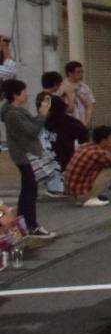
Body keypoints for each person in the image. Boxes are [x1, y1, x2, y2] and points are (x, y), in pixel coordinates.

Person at [1, 80, 55, 237]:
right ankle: (31, 225)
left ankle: (22, 224)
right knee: (30, 191)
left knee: (28, 189)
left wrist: (41, 114)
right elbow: (32, 130)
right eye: (24, 91)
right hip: (25, 155)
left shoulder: (15, 111)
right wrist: (42, 115)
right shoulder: (12, 114)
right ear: (16, 95)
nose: (27, 94)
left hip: (26, 154)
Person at [41, 71, 88, 180]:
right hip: (62, 134)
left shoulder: (40, 97)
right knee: (65, 157)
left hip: (50, 134)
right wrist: (69, 94)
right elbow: (70, 109)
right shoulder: (53, 99)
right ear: (55, 84)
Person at [64, 126, 111, 207]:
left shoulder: (85, 146)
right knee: (110, 171)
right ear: (104, 140)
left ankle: (86, 196)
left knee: (101, 167)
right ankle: (90, 199)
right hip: (80, 194)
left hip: (70, 192)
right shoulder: (100, 153)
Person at [62, 61, 95, 127]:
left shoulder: (85, 87)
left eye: (82, 72)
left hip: (82, 123)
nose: (81, 74)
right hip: (66, 125)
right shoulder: (61, 87)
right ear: (70, 73)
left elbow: (90, 105)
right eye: (78, 72)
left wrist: (86, 122)